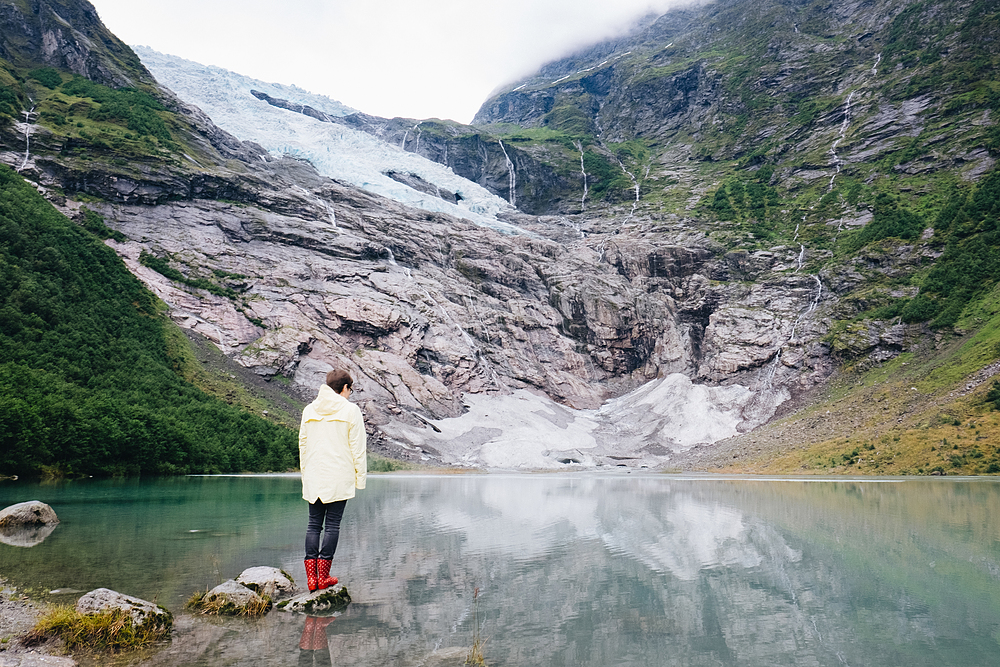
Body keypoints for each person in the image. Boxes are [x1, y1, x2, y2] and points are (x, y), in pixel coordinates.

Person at [299, 368, 367, 592]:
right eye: (351, 389)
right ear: (345, 388)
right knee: (332, 525)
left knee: (313, 525)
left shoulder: (309, 409)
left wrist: (305, 473)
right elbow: (358, 448)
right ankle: (324, 577)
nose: (350, 393)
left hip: (314, 475)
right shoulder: (351, 410)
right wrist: (360, 479)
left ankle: (311, 579)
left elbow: (303, 445)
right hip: (339, 475)